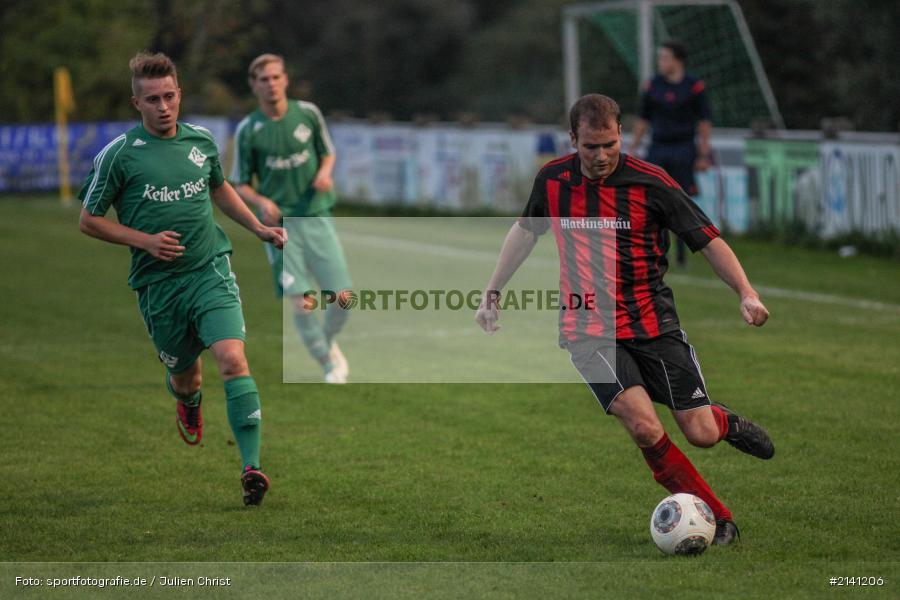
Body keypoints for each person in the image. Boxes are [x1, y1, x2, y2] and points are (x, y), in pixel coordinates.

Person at [476, 94, 773, 545]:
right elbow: (525, 230)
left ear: (621, 135)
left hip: (654, 324)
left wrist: (746, 293)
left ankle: (723, 423)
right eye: (591, 146)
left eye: (610, 144)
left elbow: (708, 240)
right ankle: (717, 518)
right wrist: (492, 292)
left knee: (700, 433)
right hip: (587, 330)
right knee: (643, 425)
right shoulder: (552, 180)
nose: (601, 156)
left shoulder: (652, 183)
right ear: (573, 139)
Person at [78, 51, 286, 506]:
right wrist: (146, 240)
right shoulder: (117, 157)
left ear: (179, 95)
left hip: (210, 269)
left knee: (232, 359)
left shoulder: (201, 142)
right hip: (159, 285)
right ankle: (188, 403)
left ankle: (251, 468)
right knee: (187, 376)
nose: (163, 106)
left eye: (169, 96)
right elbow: (89, 220)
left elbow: (219, 187)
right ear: (137, 103)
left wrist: (256, 228)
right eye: (152, 99)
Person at [232, 54, 352, 384]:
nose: (270, 84)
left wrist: (325, 174)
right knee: (303, 302)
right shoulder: (249, 130)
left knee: (343, 300)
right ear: (254, 85)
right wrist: (261, 201)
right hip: (279, 228)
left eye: (275, 77)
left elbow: (328, 152)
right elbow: (239, 183)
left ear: (285, 79)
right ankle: (328, 364)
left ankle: (324, 340)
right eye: (263, 79)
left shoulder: (308, 114)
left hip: (315, 215)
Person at [629, 41, 712, 267]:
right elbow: (643, 119)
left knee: (682, 200)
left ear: (677, 60)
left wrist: (704, 154)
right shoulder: (652, 86)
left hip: (684, 148)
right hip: (658, 148)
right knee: (652, 199)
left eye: (664, 57)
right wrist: (632, 149)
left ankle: (683, 255)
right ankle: (654, 250)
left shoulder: (694, 87)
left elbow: (704, 122)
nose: (660, 62)